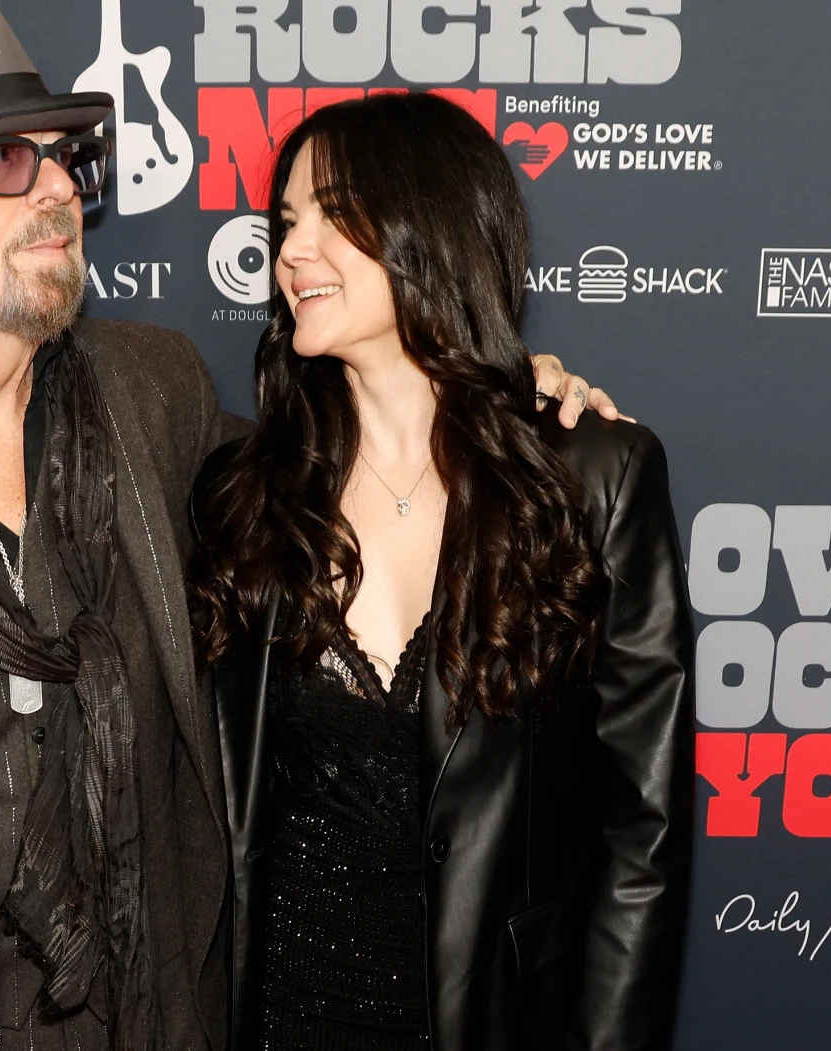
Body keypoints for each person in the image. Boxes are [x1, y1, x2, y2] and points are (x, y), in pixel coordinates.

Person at [0, 2, 623, 1048]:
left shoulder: (152, 391)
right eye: (4, 161)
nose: (56, 189)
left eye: (65, 158)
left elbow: (351, 460)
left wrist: (506, 396)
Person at [189, 91, 694, 1051]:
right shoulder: (242, 495)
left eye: (334, 214)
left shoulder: (589, 479)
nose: (292, 252)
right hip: (290, 1020)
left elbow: (645, 830)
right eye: (286, 222)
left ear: (435, 229)